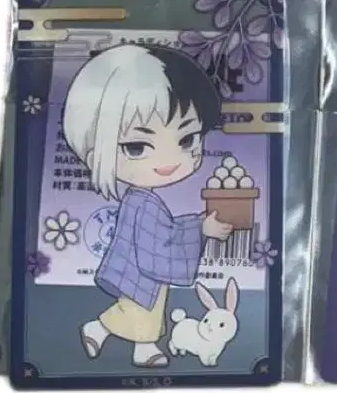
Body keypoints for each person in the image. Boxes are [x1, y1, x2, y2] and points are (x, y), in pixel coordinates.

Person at [63, 44, 232, 368]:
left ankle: (105, 333)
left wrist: (198, 225)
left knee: (142, 307)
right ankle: (133, 343)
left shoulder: (143, 201)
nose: (169, 160)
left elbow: (163, 234)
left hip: (143, 271)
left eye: (187, 140)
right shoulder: (141, 203)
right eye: (137, 147)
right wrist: (199, 227)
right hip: (143, 271)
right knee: (143, 308)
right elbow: (159, 241)